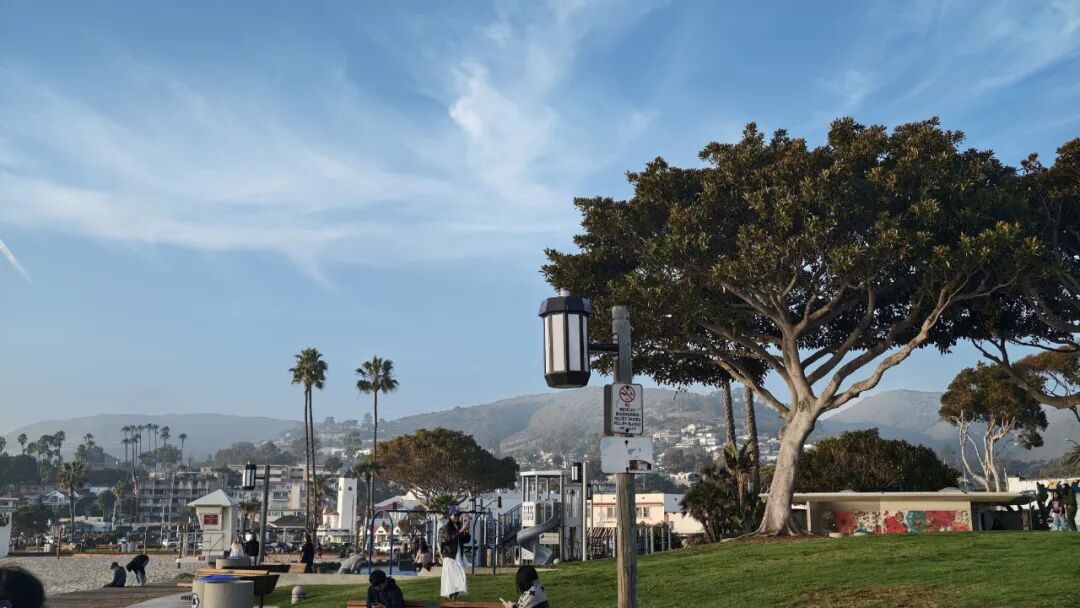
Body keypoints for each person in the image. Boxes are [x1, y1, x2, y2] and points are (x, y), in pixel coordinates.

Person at [439, 507, 470, 599]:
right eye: (455, 515)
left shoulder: (459, 526)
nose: (457, 517)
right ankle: (451, 596)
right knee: (451, 578)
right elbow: (447, 540)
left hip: (457, 555)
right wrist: (460, 531)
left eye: (458, 515)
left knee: (460, 577)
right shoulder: (446, 527)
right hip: (449, 555)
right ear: (450, 515)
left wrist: (466, 532)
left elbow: (466, 540)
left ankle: (452, 596)